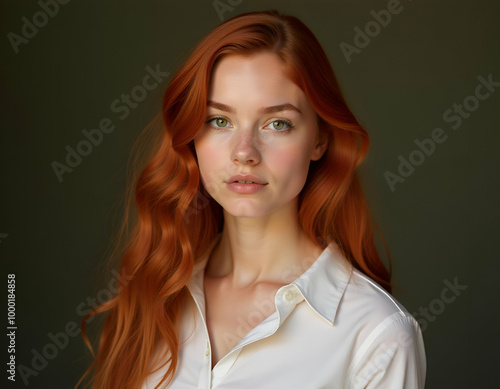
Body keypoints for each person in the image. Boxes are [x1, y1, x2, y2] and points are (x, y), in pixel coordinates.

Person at [77, 9, 426, 389]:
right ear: (192, 135)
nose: (244, 152)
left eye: (278, 123)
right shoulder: (153, 293)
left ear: (320, 139)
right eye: (219, 121)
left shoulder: (377, 336)